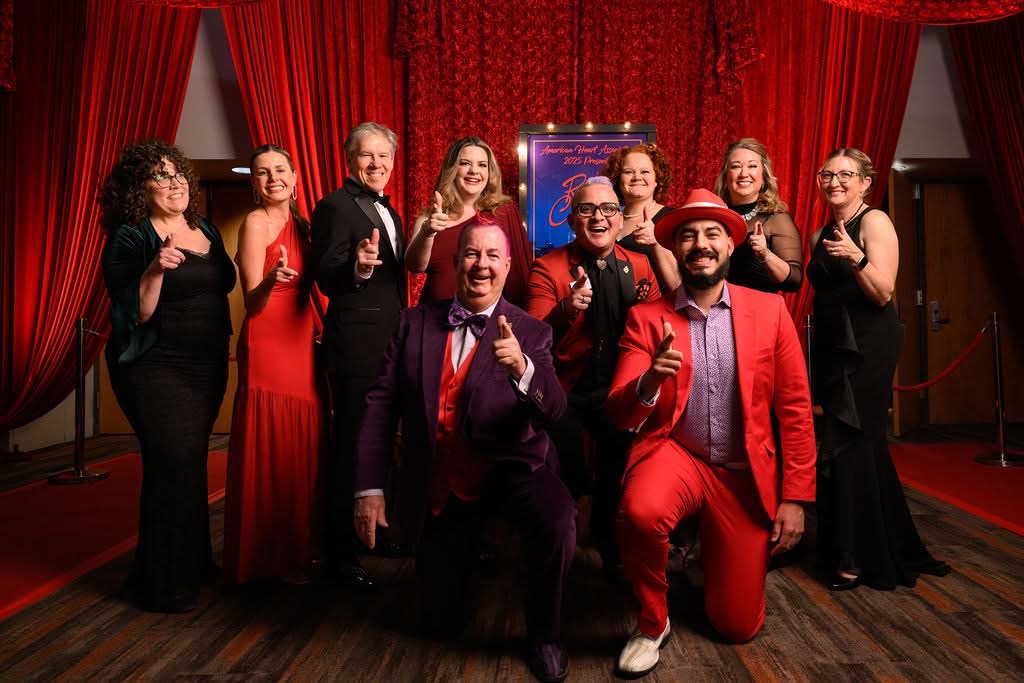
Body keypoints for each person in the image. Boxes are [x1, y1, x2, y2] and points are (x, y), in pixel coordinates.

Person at [606, 188, 816, 676]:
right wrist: (650, 378)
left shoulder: (769, 311)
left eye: (712, 234)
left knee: (737, 626)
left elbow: (795, 410)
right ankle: (653, 621)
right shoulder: (646, 317)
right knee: (640, 510)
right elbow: (619, 414)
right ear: (676, 249)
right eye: (689, 236)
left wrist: (796, 497)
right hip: (677, 453)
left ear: (729, 245)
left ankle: (711, 560)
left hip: (743, 471)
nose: (701, 243)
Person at [354, 220, 575, 683]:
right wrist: (369, 488)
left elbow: (553, 408)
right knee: (443, 625)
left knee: (558, 519)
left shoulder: (531, 330)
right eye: (472, 254)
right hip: (444, 478)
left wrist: (523, 370)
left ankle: (546, 633)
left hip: (515, 467)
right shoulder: (413, 323)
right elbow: (379, 404)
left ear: (508, 266)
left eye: (493, 256)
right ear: (455, 263)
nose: (482, 265)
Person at [100, 140, 236, 612]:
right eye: (161, 175)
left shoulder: (205, 228)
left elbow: (221, 288)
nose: (175, 181)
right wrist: (155, 269)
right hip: (155, 366)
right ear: (141, 187)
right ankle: (161, 583)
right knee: (171, 460)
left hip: (207, 366)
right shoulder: (130, 237)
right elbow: (134, 314)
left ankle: (193, 565)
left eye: (179, 173)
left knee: (190, 459)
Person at [807, 148, 950, 591]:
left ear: (866, 181)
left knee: (853, 439)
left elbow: (884, 292)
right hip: (832, 341)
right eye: (827, 174)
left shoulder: (874, 222)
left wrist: (856, 257)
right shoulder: (818, 233)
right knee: (849, 437)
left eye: (845, 175)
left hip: (868, 341)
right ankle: (870, 541)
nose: (835, 182)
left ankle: (855, 556)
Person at [526, 176, 660, 577]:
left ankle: (611, 548)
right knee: (566, 471)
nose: (598, 216)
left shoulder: (639, 265)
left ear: (620, 220)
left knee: (619, 471)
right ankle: (560, 551)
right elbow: (534, 338)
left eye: (607, 209)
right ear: (571, 220)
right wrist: (567, 309)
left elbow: (654, 328)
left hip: (618, 387)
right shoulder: (547, 267)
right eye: (586, 209)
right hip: (566, 389)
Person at [222, 144, 326, 584]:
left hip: (302, 338)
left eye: (279, 170)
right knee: (272, 438)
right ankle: (266, 558)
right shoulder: (255, 222)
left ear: (295, 176)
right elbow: (250, 300)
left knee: (303, 439)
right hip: (268, 338)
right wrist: (269, 280)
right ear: (254, 183)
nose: (272, 179)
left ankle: (300, 550)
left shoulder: (304, 225)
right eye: (262, 173)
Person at [311, 122, 407, 590]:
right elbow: (326, 273)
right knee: (352, 444)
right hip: (355, 344)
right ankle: (340, 553)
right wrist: (357, 267)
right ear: (351, 160)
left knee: (384, 441)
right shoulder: (334, 205)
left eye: (383, 157)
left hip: (391, 341)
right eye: (367, 156)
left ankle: (374, 533)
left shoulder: (391, 209)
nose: (376, 164)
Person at [405, 136, 532, 305]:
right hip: (435, 320)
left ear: (489, 173)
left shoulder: (504, 212)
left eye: (482, 165)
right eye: (465, 163)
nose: (474, 171)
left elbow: (520, 279)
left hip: (488, 322)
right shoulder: (430, 217)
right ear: (452, 169)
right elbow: (415, 266)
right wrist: (427, 233)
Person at [713, 138, 802, 293]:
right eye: (735, 166)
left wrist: (765, 255)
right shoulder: (714, 216)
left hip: (759, 312)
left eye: (752, 166)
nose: (743, 173)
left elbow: (794, 282)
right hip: (716, 313)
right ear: (726, 177)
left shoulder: (776, 219)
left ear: (763, 176)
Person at [601, 143, 680, 293]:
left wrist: (656, 243)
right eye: (628, 172)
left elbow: (678, 286)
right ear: (618, 180)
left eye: (645, 171)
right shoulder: (609, 219)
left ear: (658, 179)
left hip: (655, 313)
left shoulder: (671, 219)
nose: (637, 177)